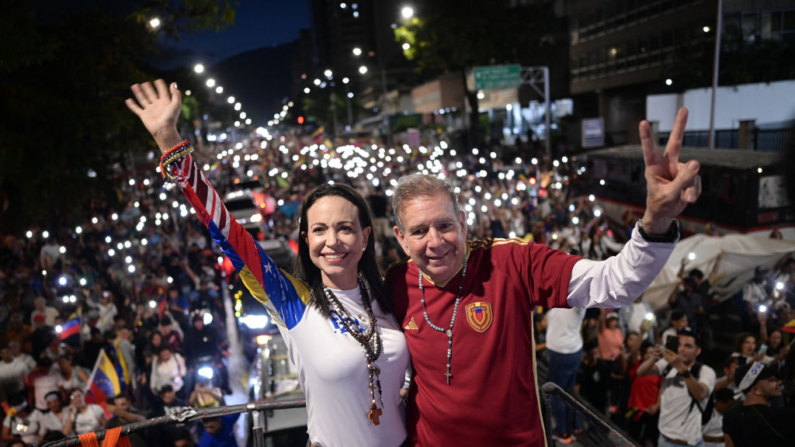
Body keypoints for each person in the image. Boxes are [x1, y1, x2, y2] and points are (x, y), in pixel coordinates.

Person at [386, 107, 700, 446]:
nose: (435, 242)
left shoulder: (512, 261)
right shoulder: (393, 283)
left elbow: (614, 284)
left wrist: (655, 223)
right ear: (401, 238)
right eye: (419, 231)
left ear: (462, 224)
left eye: (445, 225)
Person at [127, 80, 409, 447]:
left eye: (345, 228)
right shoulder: (294, 303)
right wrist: (170, 142)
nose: (333, 241)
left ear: (366, 237)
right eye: (319, 229)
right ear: (305, 240)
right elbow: (229, 234)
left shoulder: (393, 293)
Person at [637, 329, 716, 447]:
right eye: (679, 344)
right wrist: (652, 358)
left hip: (688, 443)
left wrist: (681, 368)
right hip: (663, 438)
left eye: (688, 346)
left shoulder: (705, 371)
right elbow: (641, 372)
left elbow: (701, 394)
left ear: (698, 351)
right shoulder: (667, 364)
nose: (682, 349)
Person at [722, 362, 795, 446]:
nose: (779, 382)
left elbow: (729, 444)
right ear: (756, 390)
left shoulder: (731, 411)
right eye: (772, 380)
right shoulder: (781, 418)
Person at [545, 307, 586, 442]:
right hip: (571, 349)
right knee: (569, 390)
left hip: (563, 353)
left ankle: (562, 431)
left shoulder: (577, 300)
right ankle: (575, 425)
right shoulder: (564, 303)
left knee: (557, 393)